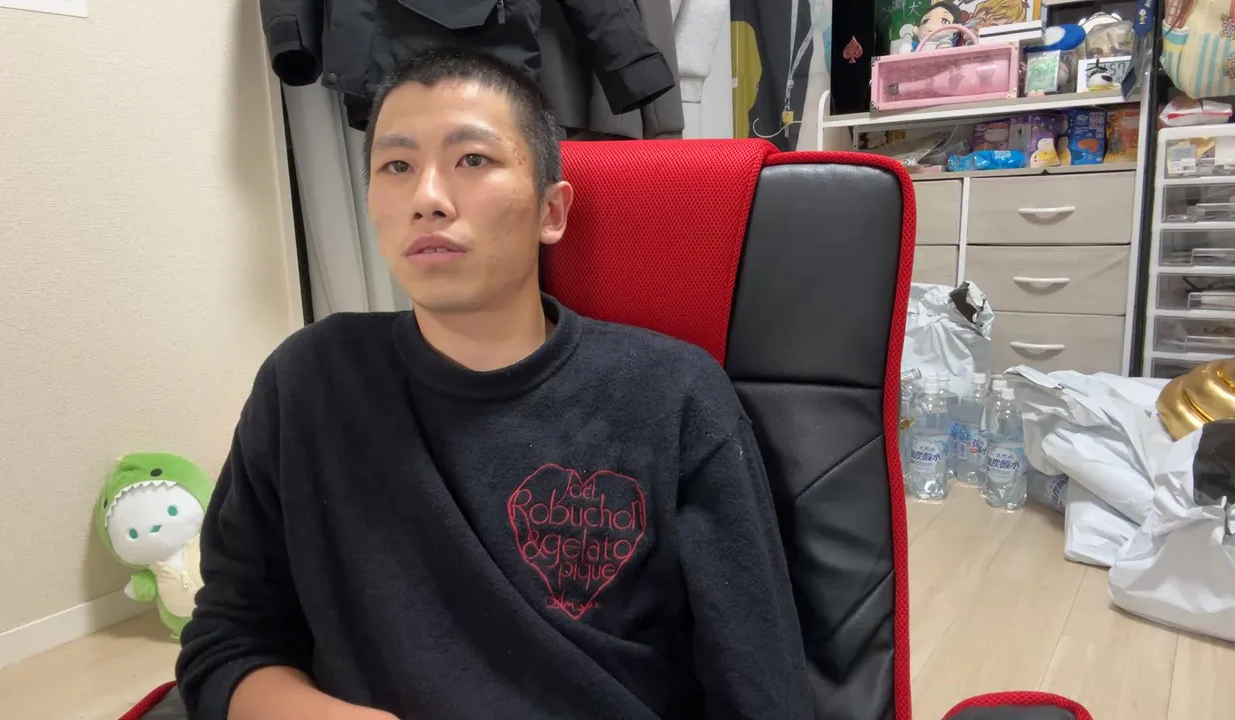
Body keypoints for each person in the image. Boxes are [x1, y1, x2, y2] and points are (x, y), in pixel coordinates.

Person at [176, 45, 811, 720]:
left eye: (472, 160)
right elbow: (228, 642)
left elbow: (761, 693)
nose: (427, 199)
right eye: (396, 166)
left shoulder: (673, 396)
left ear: (551, 211)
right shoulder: (308, 382)